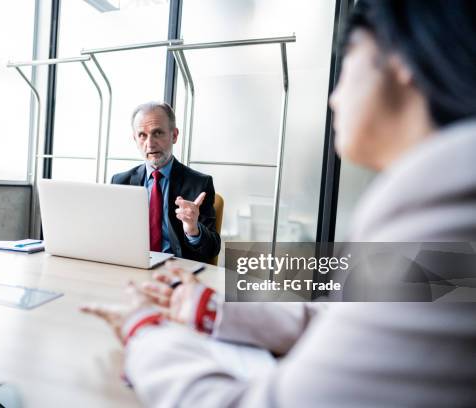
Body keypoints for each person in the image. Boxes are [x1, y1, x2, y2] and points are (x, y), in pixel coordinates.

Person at [82, 1, 476, 406]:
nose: (334, 98)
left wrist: (144, 332)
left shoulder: (450, 210)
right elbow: (342, 315)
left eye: (347, 65)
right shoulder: (436, 201)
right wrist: (212, 309)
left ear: (401, 60)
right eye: (142, 136)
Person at [111, 102, 221, 262]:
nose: (150, 143)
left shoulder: (199, 184)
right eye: (142, 135)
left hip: (175, 270)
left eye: (157, 133)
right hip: (131, 265)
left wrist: (193, 229)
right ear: (135, 139)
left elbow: (212, 249)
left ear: (174, 135)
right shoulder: (120, 182)